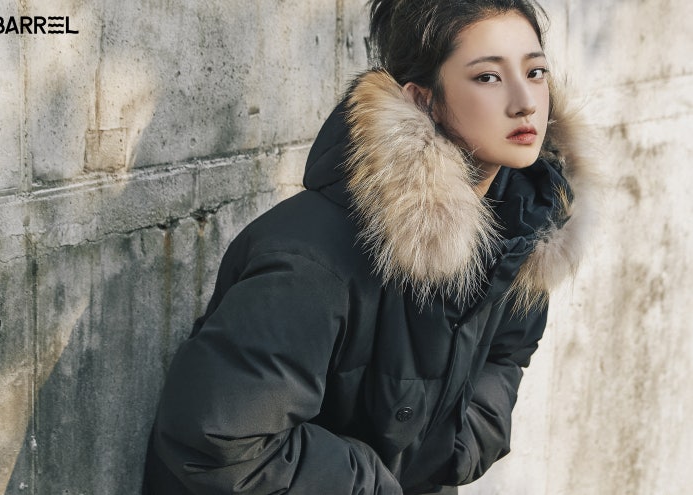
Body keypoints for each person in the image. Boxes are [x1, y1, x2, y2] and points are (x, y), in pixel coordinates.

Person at [142, 0, 594, 493]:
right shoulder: (311, 258)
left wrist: (457, 445)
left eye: (535, 71)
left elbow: (507, 355)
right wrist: (375, 485)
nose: (525, 102)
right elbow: (216, 444)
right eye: (488, 77)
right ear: (422, 100)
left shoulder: (525, 223)